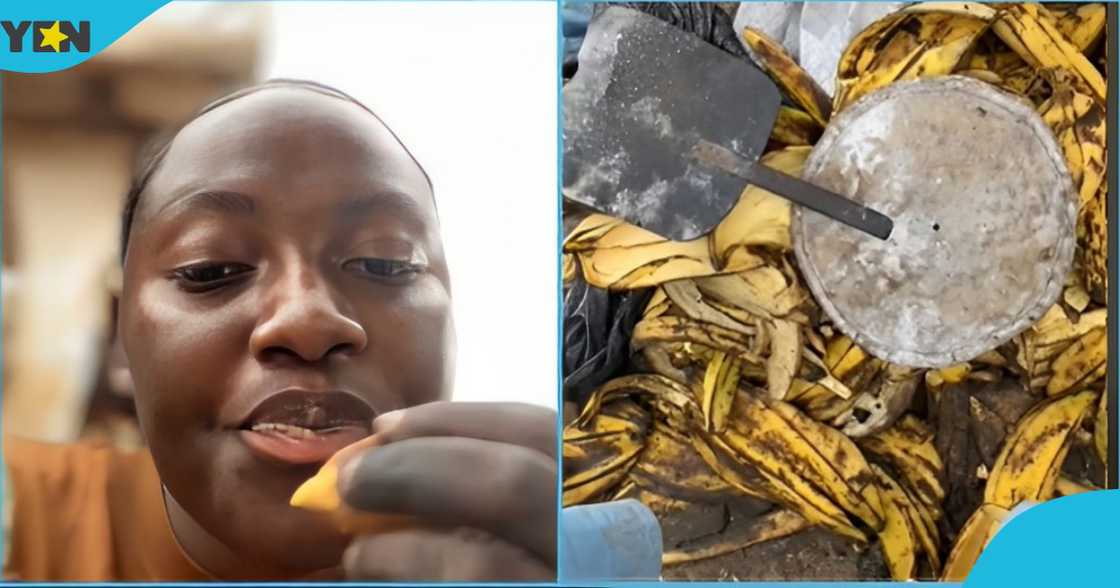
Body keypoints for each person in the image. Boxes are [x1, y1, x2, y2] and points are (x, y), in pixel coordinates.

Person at [2, 79, 557, 581]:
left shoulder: (576, 529)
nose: (308, 321)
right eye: (211, 270)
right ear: (119, 334)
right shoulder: (20, 518)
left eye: (385, 263)